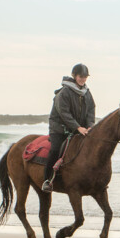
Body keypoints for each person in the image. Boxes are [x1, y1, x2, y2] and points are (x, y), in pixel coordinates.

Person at [42, 63, 96, 192]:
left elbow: (91, 110)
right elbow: (64, 113)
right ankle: (47, 180)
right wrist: (78, 127)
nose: (83, 79)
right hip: (59, 128)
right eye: (80, 76)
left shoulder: (87, 93)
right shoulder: (64, 92)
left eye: (85, 77)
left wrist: (89, 126)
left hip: (79, 129)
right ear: (74, 76)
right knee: (55, 149)